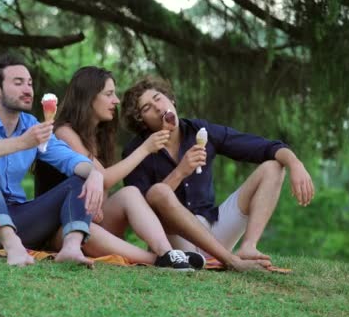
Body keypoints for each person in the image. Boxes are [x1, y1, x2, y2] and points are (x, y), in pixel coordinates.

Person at [120, 76, 315, 271]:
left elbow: (263, 147)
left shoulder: (201, 131)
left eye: (158, 97)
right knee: (158, 192)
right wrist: (180, 172)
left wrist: (295, 163)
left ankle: (248, 247)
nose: (157, 106)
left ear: (171, 100)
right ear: (142, 123)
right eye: (146, 108)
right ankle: (231, 261)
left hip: (214, 230)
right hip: (176, 241)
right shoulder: (136, 151)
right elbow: (143, 212)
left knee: (273, 166)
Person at [0, 53, 105, 267]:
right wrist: (22, 143)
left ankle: (71, 248)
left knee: (81, 179)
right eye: (18, 83)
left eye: (30, 83)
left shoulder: (31, 125)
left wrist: (95, 174)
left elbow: (69, 159)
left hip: (16, 217)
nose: (28, 90)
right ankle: (12, 245)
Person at [34, 66, 204, 271]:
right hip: (60, 227)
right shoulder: (64, 132)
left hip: (89, 218)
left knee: (130, 193)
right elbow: (102, 177)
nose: (116, 100)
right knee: (86, 229)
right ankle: (157, 260)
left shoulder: (99, 136)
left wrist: (98, 204)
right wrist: (145, 149)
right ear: (88, 97)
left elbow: (101, 189)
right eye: (109, 94)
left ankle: (168, 252)